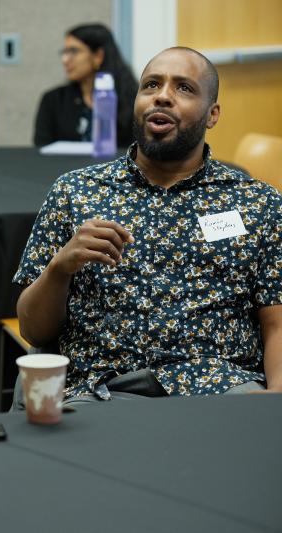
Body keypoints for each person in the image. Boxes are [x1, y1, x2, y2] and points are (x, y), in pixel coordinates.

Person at [14, 46, 282, 406]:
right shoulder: (76, 192)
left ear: (212, 114)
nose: (163, 97)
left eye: (184, 88)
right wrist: (60, 268)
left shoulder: (257, 203)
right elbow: (33, 330)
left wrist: (275, 401)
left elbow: (277, 322)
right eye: (151, 85)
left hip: (220, 387)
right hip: (101, 389)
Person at [33, 23, 138, 148]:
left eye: (73, 51)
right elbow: (41, 150)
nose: (65, 60)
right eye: (64, 52)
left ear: (98, 56)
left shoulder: (132, 100)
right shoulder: (53, 100)